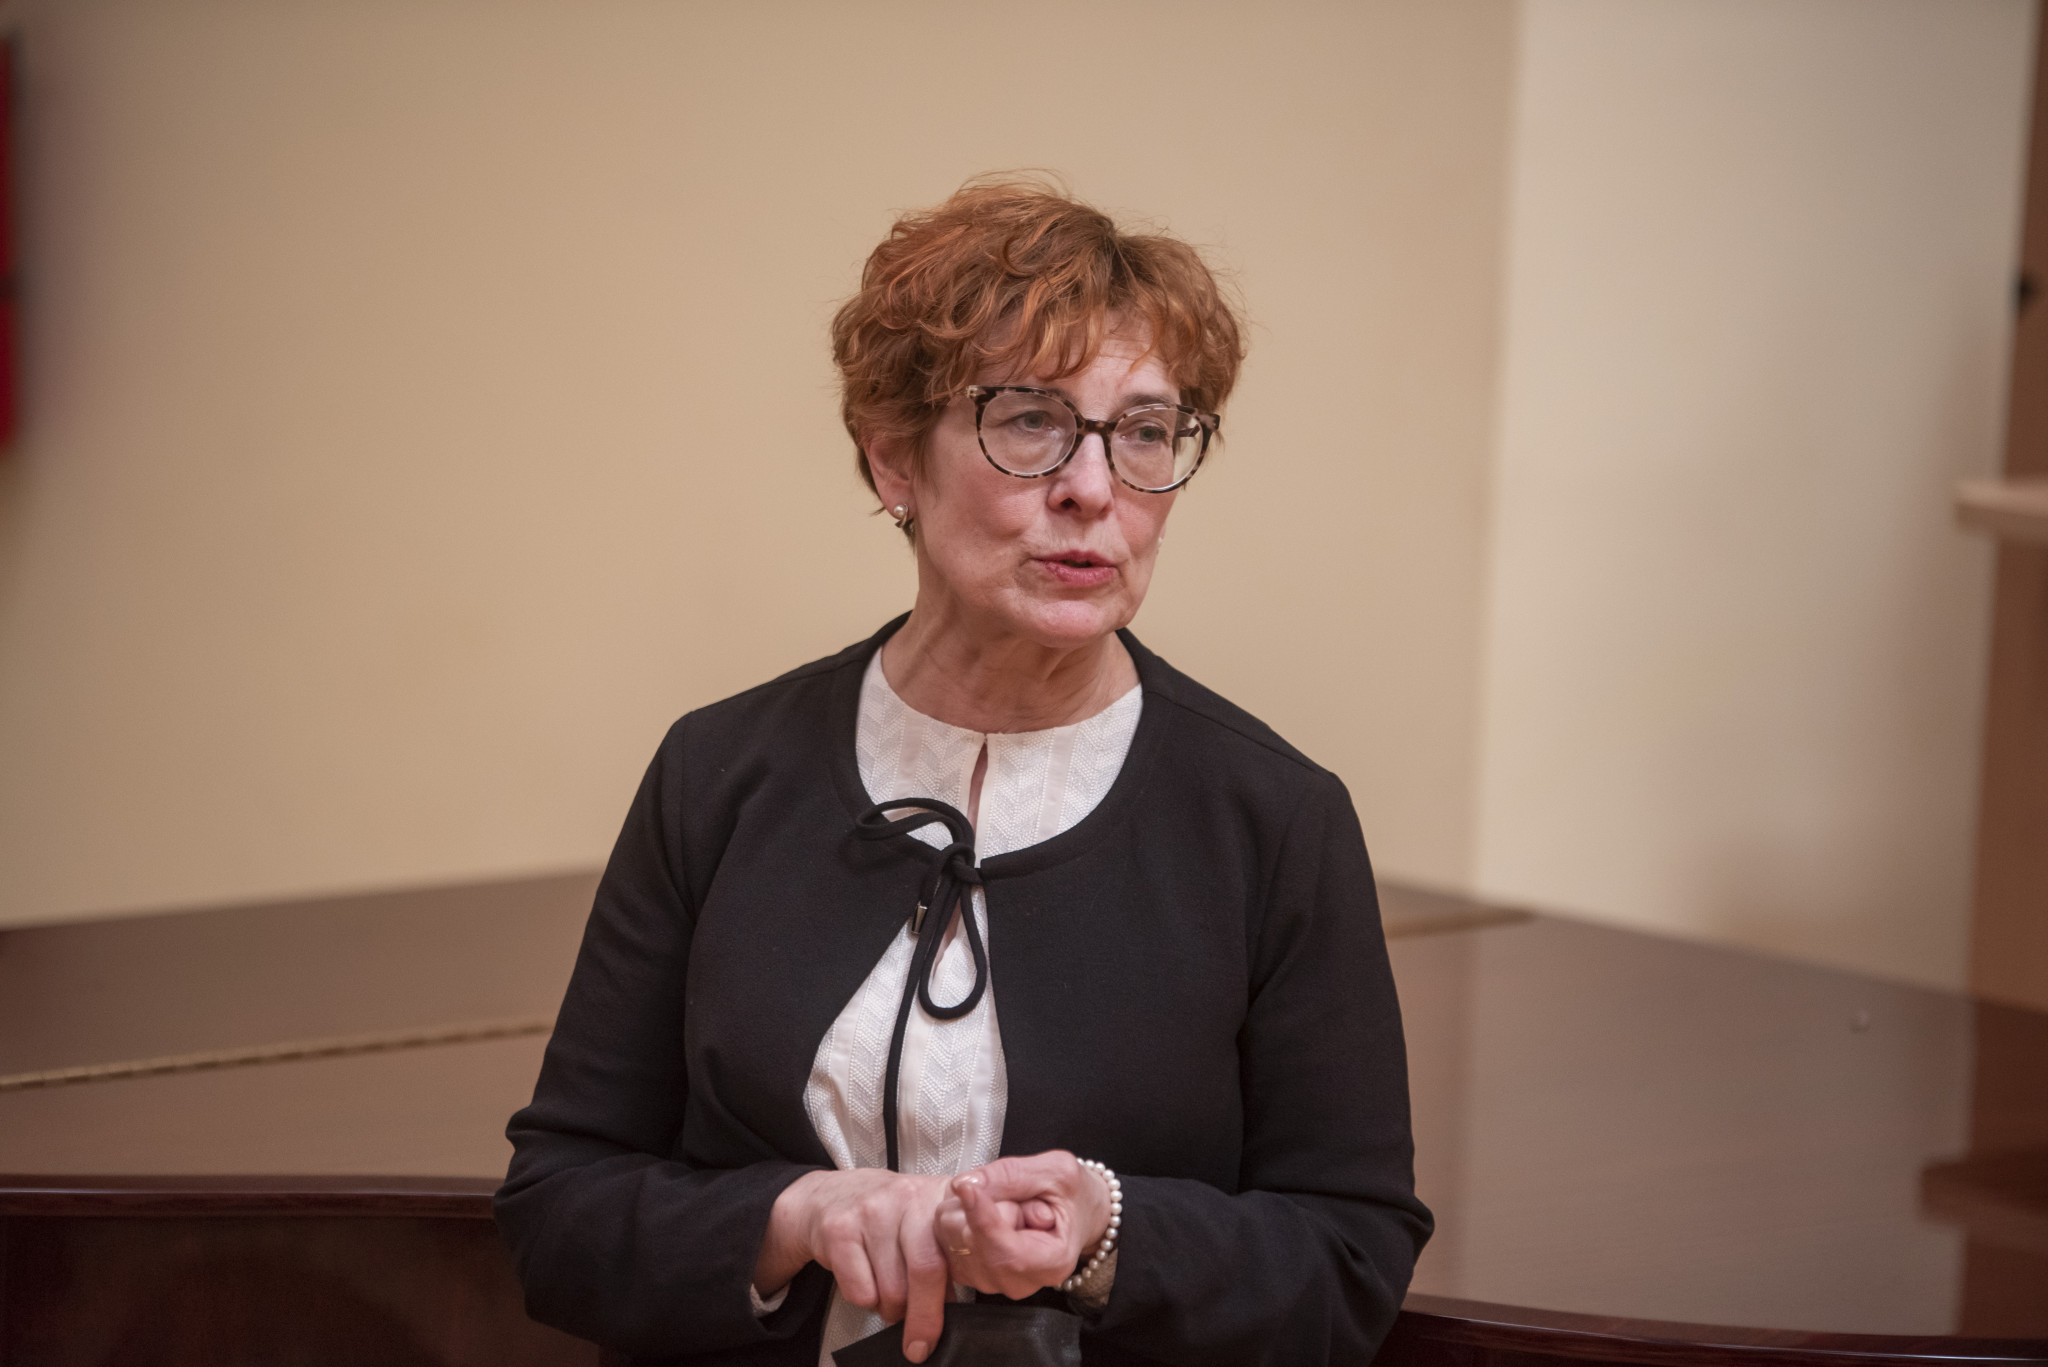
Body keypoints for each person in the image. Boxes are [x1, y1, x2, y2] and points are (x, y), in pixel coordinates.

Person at [495, 177, 1431, 1367]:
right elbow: (558, 1209)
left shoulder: (1274, 818)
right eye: (1030, 420)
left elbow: (1350, 1252)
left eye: (1145, 431)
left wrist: (1107, 1236)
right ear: (893, 457)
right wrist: (796, 1216)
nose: (1092, 486)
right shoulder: (718, 772)